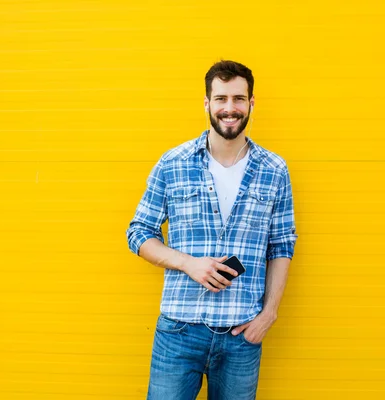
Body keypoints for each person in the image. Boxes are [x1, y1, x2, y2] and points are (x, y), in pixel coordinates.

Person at [126, 60, 298, 400]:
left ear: (251, 103)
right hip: (178, 331)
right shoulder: (172, 162)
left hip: (241, 336)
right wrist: (189, 263)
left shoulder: (275, 170)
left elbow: (281, 245)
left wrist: (270, 314)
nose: (229, 108)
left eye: (238, 98)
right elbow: (139, 232)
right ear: (207, 104)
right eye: (220, 99)